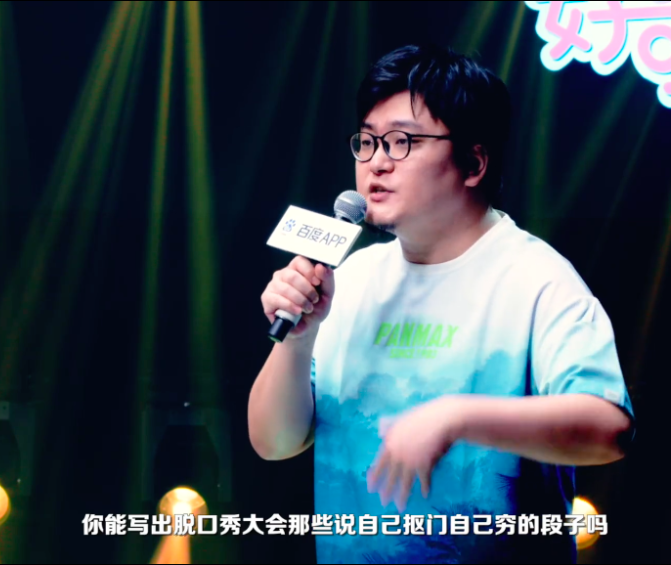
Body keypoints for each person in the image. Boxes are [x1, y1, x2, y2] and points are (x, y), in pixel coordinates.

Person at [248, 44, 635, 564]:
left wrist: (457, 417)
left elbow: (609, 429)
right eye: (367, 141)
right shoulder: (351, 277)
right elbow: (273, 442)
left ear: (473, 163)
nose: (376, 163)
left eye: (401, 141)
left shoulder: (536, 279)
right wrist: (298, 340)